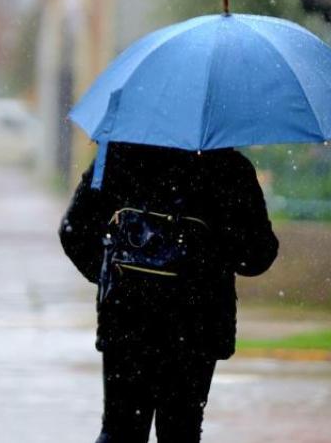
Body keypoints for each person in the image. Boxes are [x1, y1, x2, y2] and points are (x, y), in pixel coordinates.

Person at [58, 142, 278, 442]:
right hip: (195, 324)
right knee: (181, 429)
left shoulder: (118, 156)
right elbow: (256, 257)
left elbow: (74, 229)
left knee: (120, 428)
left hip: (127, 318)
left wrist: (113, 275)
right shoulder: (227, 167)